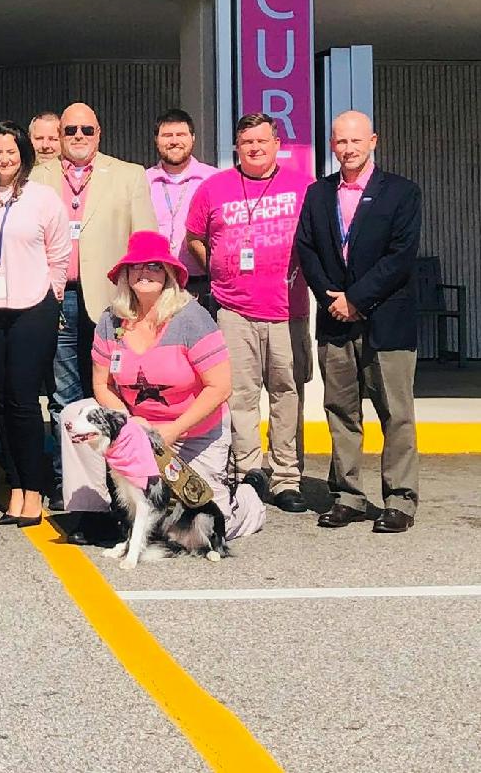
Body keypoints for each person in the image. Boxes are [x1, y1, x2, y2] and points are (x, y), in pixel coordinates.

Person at [61, 231, 267, 541]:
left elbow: (220, 387)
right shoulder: (110, 320)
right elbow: (101, 385)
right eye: (137, 267)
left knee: (204, 529)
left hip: (193, 432)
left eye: (154, 266)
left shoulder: (192, 319)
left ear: (168, 274)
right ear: (126, 275)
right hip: (139, 429)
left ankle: (250, 496)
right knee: (73, 414)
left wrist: (172, 431)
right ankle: (93, 513)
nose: (144, 273)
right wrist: (130, 423)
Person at [295, 111, 422, 534]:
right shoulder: (317, 194)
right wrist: (334, 300)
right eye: (339, 142)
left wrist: (356, 299)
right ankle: (347, 495)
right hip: (336, 320)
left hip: (387, 322)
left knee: (395, 414)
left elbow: (400, 257)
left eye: (355, 141)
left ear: (373, 141)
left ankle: (400, 500)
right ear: (331, 145)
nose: (347, 149)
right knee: (341, 410)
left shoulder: (402, 193)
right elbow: (307, 250)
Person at [185, 112, 312, 514]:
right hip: (233, 310)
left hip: (287, 309)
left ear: (277, 145)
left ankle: (286, 477)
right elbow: (194, 239)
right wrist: (221, 271)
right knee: (238, 396)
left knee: (287, 394)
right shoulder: (214, 188)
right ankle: (247, 474)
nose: (254, 148)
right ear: (236, 148)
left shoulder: (303, 187)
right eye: (247, 143)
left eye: (262, 141)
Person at [30, 102, 155, 509]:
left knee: (114, 393)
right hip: (56, 298)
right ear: (59, 135)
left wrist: (142, 298)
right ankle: (77, 491)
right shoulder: (38, 176)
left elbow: (145, 240)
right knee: (65, 395)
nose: (79, 137)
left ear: (99, 133)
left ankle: (123, 484)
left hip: (113, 300)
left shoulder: (128, 175)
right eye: (70, 131)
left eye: (86, 130)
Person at [0, 121, 69, 529]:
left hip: (33, 308)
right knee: (0, 400)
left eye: (10, 152)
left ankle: (33, 489)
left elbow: (59, 256)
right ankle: (14, 487)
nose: (4, 159)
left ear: (22, 154)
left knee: (25, 403)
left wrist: (52, 298)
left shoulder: (44, 199)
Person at [145, 108, 217, 302]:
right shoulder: (143, 181)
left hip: (201, 283)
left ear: (193, 138)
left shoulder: (213, 179)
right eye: (167, 135)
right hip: (155, 282)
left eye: (181, 135)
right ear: (156, 140)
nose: (174, 141)